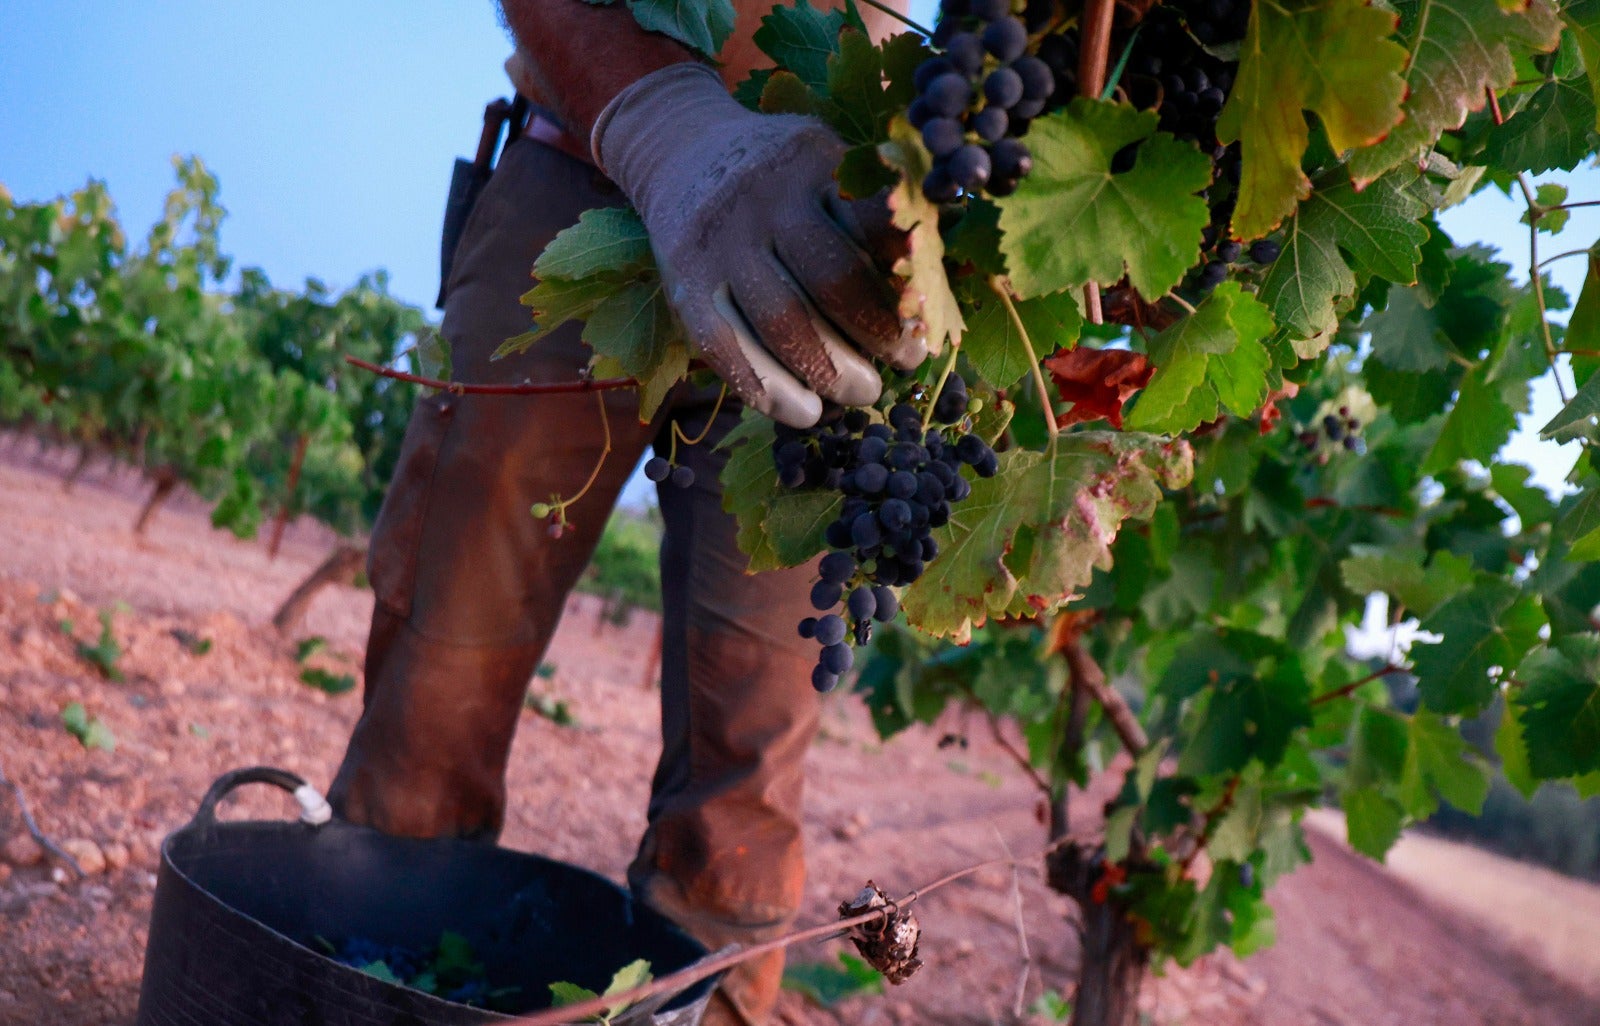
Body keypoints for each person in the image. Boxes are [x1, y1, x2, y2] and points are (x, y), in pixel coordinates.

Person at [327, 2, 917, 1023]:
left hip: (822, 264)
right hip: (574, 186)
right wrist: (661, 120)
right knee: (434, 698)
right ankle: (369, 991)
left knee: (747, 776)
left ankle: (702, 1010)